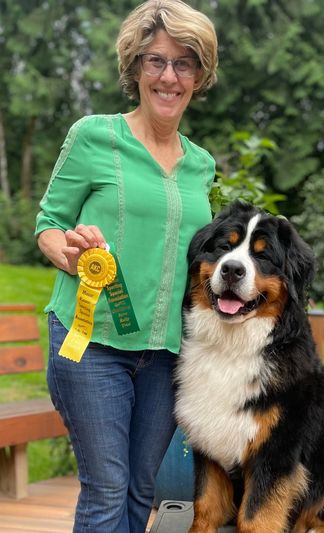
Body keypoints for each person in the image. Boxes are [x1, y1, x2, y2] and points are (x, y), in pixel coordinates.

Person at [35, 1, 218, 531]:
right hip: (92, 341)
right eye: (155, 60)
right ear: (135, 67)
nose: (168, 76)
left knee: (142, 491)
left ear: (199, 75)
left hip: (165, 352)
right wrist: (63, 249)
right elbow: (49, 220)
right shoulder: (94, 136)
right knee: (107, 489)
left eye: (184, 63)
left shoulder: (201, 163)